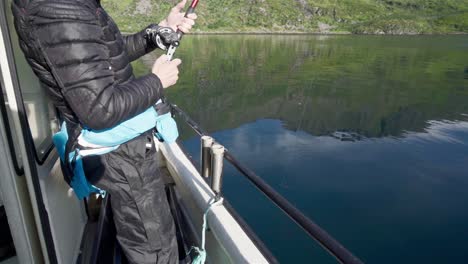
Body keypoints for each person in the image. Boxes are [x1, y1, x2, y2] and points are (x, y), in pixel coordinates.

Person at [11, 0, 197, 263]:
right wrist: (156, 82)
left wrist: (159, 31)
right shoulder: (60, 11)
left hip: (123, 152)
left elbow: (105, 55)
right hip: (124, 157)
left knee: (146, 237)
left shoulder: (74, 7)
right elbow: (99, 110)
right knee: (153, 247)